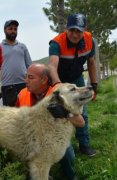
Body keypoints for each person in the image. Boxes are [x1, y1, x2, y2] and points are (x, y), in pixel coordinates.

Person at [16, 63, 85, 180]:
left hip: (55, 140)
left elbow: (81, 122)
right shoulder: (22, 94)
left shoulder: (60, 93)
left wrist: (65, 113)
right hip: (32, 141)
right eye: (26, 76)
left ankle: (71, 176)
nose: (25, 81)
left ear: (44, 80)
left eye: (30, 77)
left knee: (66, 153)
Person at [48, 13, 98, 157]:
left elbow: (91, 62)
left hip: (76, 78)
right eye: (72, 30)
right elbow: (52, 67)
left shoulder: (89, 40)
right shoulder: (56, 43)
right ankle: (62, 147)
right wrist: (58, 86)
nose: (75, 35)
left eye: (79, 31)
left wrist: (94, 84)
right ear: (66, 28)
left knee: (82, 113)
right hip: (59, 79)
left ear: (84, 30)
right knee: (58, 113)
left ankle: (84, 144)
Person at [0, 19, 32, 106]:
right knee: (10, 115)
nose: (13, 31)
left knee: (26, 112)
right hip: (7, 86)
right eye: (10, 29)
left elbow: (29, 66)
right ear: (5, 30)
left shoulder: (22, 46)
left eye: (15, 29)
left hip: (24, 84)